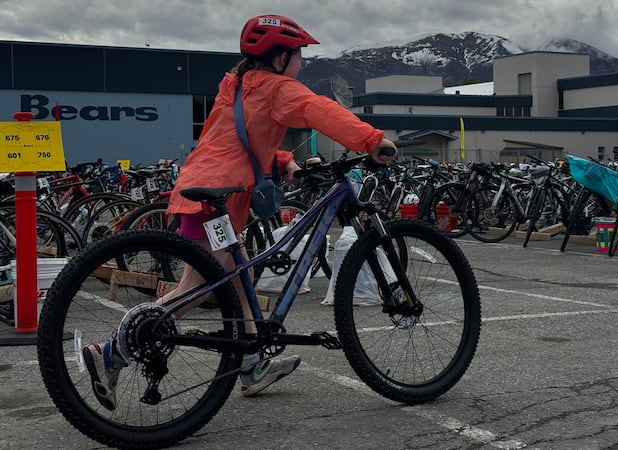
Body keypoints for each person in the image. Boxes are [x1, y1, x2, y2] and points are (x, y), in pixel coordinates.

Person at [82, 14, 398, 411]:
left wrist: (283, 161)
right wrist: (372, 140)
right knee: (202, 287)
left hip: (208, 188)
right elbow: (318, 110)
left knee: (240, 279)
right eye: (298, 55)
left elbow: (234, 136)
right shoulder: (279, 88)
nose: (301, 62)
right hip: (215, 195)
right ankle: (112, 351)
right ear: (281, 58)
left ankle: (251, 365)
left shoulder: (239, 87)